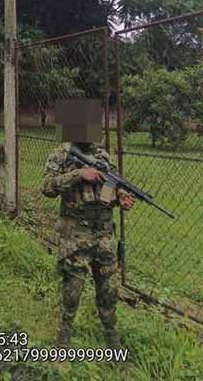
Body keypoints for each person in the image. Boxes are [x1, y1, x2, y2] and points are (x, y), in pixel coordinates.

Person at [42, 99, 134, 348]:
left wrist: (121, 197)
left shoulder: (102, 156)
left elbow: (109, 189)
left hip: (104, 235)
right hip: (76, 234)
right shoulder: (60, 155)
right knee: (72, 291)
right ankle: (63, 341)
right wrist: (78, 174)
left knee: (109, 292)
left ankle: (113, 342)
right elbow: (47, 188)